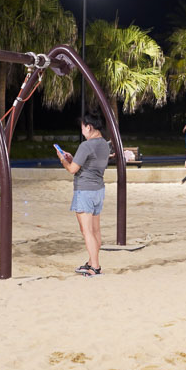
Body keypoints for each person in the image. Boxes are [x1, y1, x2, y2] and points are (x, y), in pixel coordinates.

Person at [57, 112, 110, 277]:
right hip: (98, 190)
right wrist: (73, 158)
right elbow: (91, 164)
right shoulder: (104, 144)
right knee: (95, 230)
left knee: (87, 231)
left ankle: (95, 267)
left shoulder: (86, 146)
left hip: (85, 190)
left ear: (89, 127)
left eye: (82, 128)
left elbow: (73, 169)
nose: (82, 132)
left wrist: (63, 160)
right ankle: (91, 262)